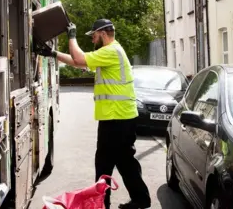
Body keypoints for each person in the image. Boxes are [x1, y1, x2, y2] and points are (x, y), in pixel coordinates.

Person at [37, 19, 151, 209]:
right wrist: (53, 53)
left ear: (103, 34)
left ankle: (102, 204)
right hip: (120, 118)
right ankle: (140, 200)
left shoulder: (111, 51)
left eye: (94, 35)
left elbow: (80, 58)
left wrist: (72, 36)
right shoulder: (111, 52)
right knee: (125, 162)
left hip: (116, 119)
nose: (92, 39)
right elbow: (79, 63)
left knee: (104, 164)